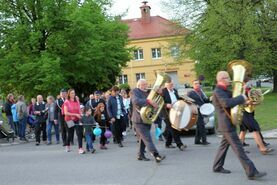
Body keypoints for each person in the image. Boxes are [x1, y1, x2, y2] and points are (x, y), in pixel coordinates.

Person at [212, 71, 266, 180]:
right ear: (222, 79)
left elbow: (233, 101)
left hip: (228, 123)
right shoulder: (218, 91)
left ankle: (217, 166)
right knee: (239, 149)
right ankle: (251, 172)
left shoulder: (224, 90)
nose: (230, 79)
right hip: (226, 125)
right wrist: (241, 97)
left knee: (223, 146)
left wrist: (247, 100)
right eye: (228, 78)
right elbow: (227, 103)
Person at [131, 79, 165, 163]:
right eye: (144, 85)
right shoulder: (134, 91)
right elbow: (136, 101)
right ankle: (156, 155)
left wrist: (160, 93)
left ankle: (140, 155)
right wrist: (149, 101)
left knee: (144, 138)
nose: (146, 86)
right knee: (147, 138)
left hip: (147, 118)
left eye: (146, 84)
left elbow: (158, 100)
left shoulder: (149, 92)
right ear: (139, 85)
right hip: (138, 119)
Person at [239, 79, 273, 154]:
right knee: (255, 129)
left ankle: (239, 150)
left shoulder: (249, 90)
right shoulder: (240, 91)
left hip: (248, 113)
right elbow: (241, 102)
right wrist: (249, 102)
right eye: (247, 82)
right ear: (243, 82)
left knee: (243, 131)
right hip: (245, 113)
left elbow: (253, 101)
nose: (249, 83)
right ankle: (262, 148)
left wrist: (256, 102)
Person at [162, 78, 187, 151]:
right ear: (166, 85)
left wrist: (183, 99)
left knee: (170, 128)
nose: (172, 85)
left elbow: (177, 99)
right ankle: (180, 144)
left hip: (175, 112)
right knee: (173, 128)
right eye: (170, 84)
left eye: (172, 84)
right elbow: (159, 102)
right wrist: (166, 105)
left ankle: (168, 143)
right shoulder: (163, 92)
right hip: (166, 113)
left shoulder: (175, 91)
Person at [187, 80, 210, 145]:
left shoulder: (201, 92)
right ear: (193, 85)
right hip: (195, 111)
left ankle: (197, 141)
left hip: (202, 111)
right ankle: (204, 140)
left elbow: (204, 100)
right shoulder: (190, 93)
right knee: (201, 125)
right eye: (195, 84)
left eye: (198, 83)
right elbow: (187, 102)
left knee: (199, 126)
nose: (197, 85)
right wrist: (195, 105)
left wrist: (210, 99)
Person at [63, 89, 84, 154]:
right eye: (72, 93)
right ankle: (67, 145)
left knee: (79, 133)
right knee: (70, 134)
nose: (73, 94)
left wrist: (81, 115)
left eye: (74, 93)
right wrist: (75, 114)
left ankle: (80, 148)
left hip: (77, 119)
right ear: (69, 94)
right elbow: (66, 113)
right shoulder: (66, 102)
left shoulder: (77, 100)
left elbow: (79, 110)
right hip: (69, 120)